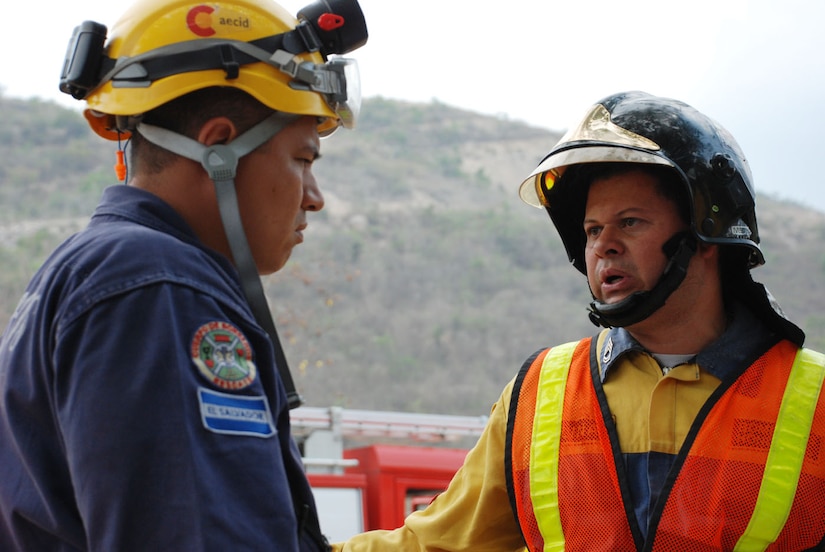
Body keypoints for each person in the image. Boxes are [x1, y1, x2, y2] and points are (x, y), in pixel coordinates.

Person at [332, 91, 825, 551]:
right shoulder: (538, 396)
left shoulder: (814, 400)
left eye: (630, 222)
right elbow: (432, 545)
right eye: (592, 229)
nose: (603, 246)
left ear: (708, 232)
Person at [0, 0, 367, 549]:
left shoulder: (103, 273)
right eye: (304, 160)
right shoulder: (158, 289)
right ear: (219, 147)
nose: (314, 198)